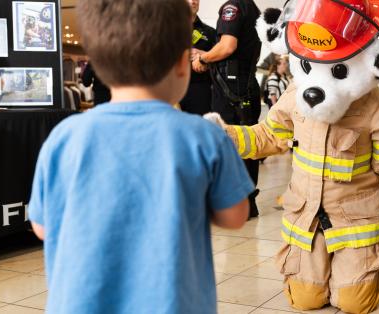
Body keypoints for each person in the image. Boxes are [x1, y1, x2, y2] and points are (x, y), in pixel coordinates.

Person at [27, 0, 253, 312]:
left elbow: (43, 227)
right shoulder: (205, 136)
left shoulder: (64, 138)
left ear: (98, 63)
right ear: (181, 63)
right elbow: (235, 215)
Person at [192, 0, 262, 218]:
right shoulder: (251, 7)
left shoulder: (232, 8)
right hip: (244, 87)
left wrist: (202, 57)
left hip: (232, 90)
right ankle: (247, 203)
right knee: (246, 144)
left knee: (231, 144)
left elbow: (227, 46)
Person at [180, 0, 218, 115]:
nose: (193, 1)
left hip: (201, 91)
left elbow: (220, 63)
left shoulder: (211, 32)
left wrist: (205, 57)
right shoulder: (166, 28)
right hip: (171, 88)